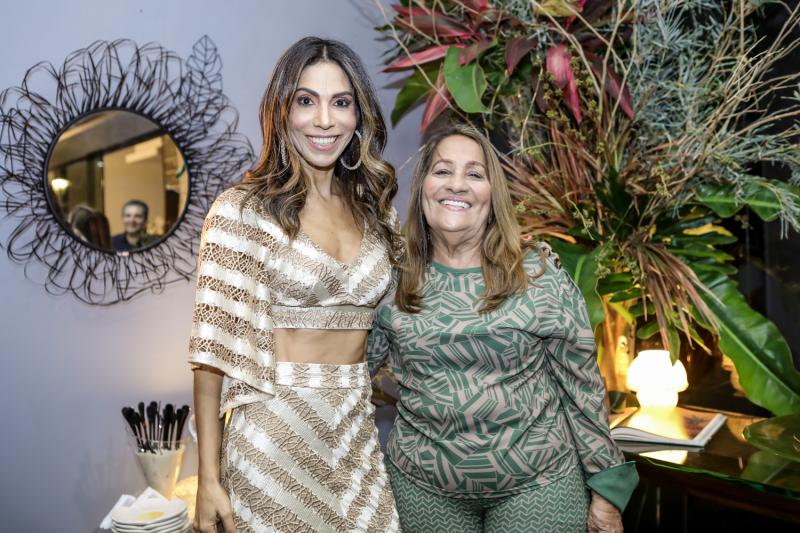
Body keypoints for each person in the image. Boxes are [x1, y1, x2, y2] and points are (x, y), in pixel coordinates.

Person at [368, 124, 638, 533]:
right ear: (422, 185)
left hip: (538, 486)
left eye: (475, 174)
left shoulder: (538, 273)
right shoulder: (388, 276)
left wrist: (606, 490)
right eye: (443, 171)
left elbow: (581, 387)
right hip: (423, 490)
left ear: (493, 193)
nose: (457, 185)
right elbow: (351, 375)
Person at [189, 37, 402, 533]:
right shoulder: (241, 211)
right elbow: (210, 356)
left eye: (341, 102)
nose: (324, 120)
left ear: (359, 114)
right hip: (272, 440)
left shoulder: (378, 214)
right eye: (307, 100)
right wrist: (208, 480)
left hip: (356, 433)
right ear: (282, 110)